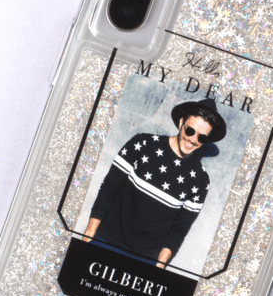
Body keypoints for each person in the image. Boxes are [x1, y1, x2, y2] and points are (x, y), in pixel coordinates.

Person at [83, 98, 226, 268]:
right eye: (190, 131)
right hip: (105, 240)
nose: (193, 139)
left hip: (146, 259)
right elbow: (109, 188)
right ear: (181, 123)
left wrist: (159, 266)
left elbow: (181, 227)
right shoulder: (142, 144)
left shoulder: (201, 181)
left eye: (201, 137)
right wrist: (89, 233)